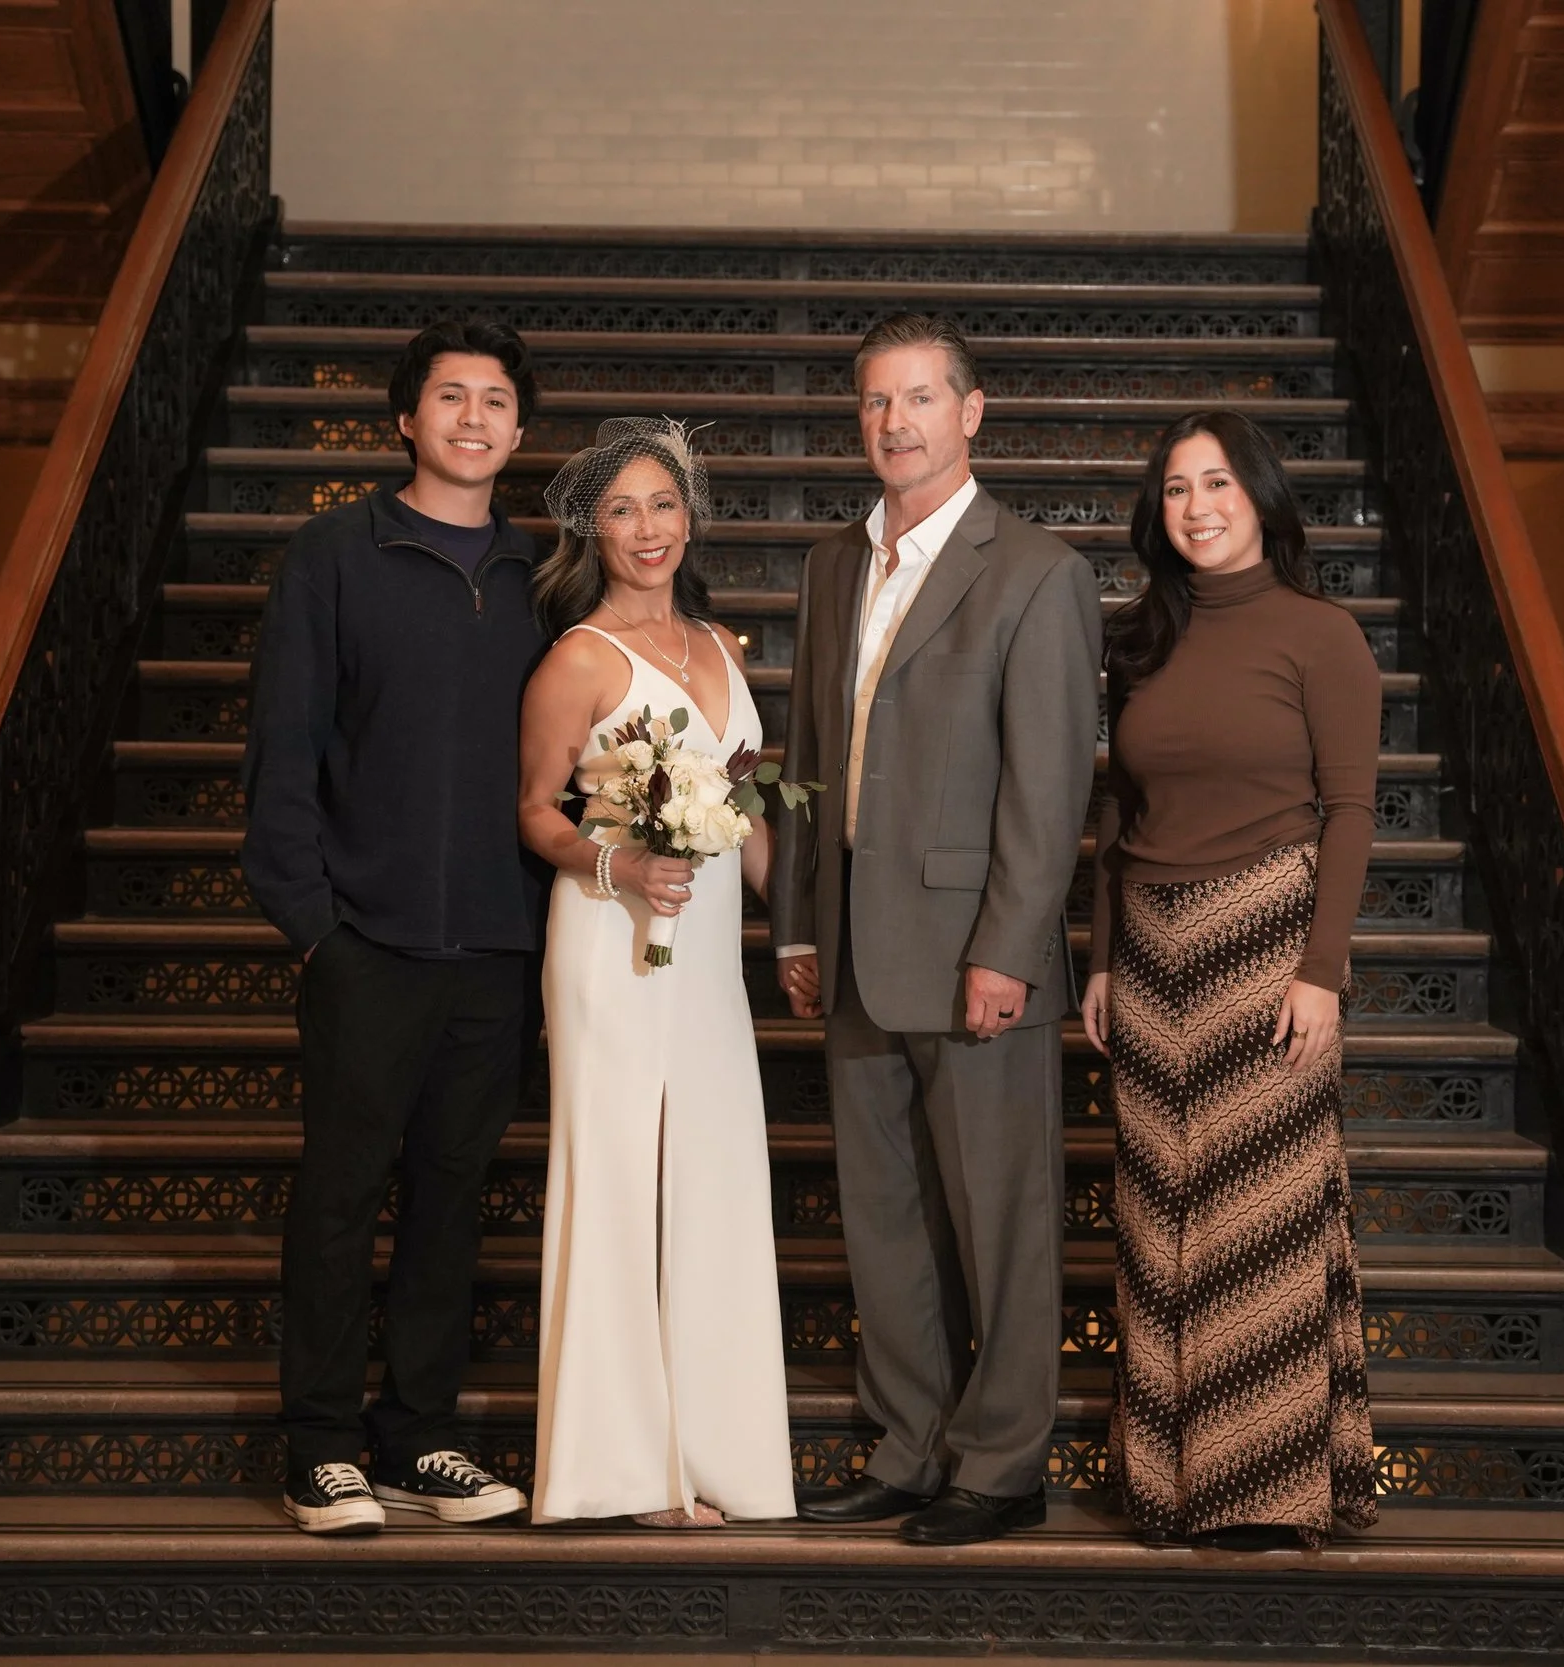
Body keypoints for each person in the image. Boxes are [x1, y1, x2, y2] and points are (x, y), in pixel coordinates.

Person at [771, 315, 1103, 1547]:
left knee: (1001, 1220)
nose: (893, 421)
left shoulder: (1036, 572)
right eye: (874, 401)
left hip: (975, 955)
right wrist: (795, 927)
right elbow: (809, 755)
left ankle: (1002, 1463)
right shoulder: (830, 567)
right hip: (853, 945)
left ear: (970, 413)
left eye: (918, 397)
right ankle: (907, 1447)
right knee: (885, 1220)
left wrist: (1007, 948)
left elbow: (1048, 789)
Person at [242, 319, 544, 1535]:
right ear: (406, 419)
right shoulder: (334, 555)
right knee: (340, 1196)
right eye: (450, 396)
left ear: (519, 430)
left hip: (499, 946)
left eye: (495, 400)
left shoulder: (541, 576)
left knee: (450, 1198)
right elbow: (283, 753)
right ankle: (319, 1445)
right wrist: (316, 925)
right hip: (365, 942)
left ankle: (419, 1434)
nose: (473, 417)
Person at [1081, 408, 1383, 1550]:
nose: (1196, 506)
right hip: (1150, 953)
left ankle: (1265, 1483)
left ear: (1259, 495)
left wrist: (1322, 972)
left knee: (1259, 1217)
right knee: (1158, 1215)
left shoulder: (1321, 635)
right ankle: (1167, 1481)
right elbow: (1118, 815)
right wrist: (1100, 958)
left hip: (1268, 945)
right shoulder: (1138, 641)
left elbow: (1350, 811)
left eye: (1216, 483)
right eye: (1175, 488)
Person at [515, 417, 798, 1528]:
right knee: (619, 1179)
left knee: (717, 1177)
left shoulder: (722, 643)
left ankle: (720, 1452)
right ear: (593, 528)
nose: (647, 527)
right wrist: (620, 862)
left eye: (664, 504)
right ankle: (622, 1469)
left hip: (709, 956)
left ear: (691, 517)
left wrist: (798, 933)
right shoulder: (578, 657)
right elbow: (534, 810)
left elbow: (750, 810)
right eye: (622, 509)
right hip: (608, 939)